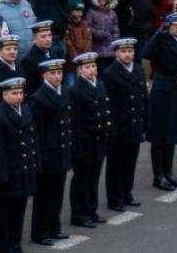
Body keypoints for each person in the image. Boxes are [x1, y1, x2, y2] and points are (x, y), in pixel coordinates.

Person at [0, 77, 38, 253]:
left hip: (23, 171)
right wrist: (2, 178)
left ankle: (15, 245)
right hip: (8, 175)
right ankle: (1, 248)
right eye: (14, 93)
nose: (18, 97)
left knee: (19, 213)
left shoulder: (25, 110)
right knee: (3, 217)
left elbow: (31, 140)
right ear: (4, 94)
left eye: (20, 93)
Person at [28, 58, 71, 246]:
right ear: (44, 75)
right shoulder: (38, 98)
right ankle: (40, 231)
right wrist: (39, 157)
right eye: (52, 73)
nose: (57, 76)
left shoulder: (64, 92)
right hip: (47, 154)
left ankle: (54, 227)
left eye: (59, 72)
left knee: (58, 193)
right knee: (44, 195)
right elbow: (36, 132)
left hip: (61, 151)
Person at [100, 38, 145, 211]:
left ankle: (127, 192)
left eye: (131, 51)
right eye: (124, 52)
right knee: (115, 164)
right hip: (119, 127)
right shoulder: (110, 74)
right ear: (116, 53)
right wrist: (110, 128)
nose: (128, 55)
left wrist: (144, 123)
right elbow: (108, 105)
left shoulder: (139, 70)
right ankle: (114, 197)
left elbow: (143, 99)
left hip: (134, 124)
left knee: (130, 162)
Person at [64, 53, 109, 228]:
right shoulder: (75, 90)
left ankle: (92, 209)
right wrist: (77, 147)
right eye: (87, 67)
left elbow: (105, 112)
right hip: (85, 142)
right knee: (82, 179)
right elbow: (74, 122)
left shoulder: (100, 84)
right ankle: (80, 213)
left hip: (98, 141)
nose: (92, 70)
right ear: (80, 70)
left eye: (93, 66)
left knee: (94, 178)